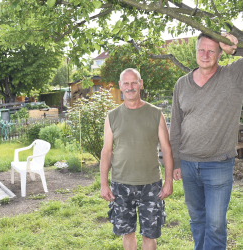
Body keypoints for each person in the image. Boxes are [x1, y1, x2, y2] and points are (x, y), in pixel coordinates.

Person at [170, 32, 243, 250]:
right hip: (189, 164)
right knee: (197, 220)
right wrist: (175, 162)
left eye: (212, 50)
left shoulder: (233, 76)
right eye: (201, 49)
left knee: (216, 224)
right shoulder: (181, 85)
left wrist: (235, 47)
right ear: (195, 51)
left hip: (219, 164)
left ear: (220, 54)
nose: (205, 54)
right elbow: (175, 126)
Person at [100, 68, 173, 250]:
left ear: (140, 84)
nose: (130, 87)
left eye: (134, 82)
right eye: (126, 83)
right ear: (120, 86)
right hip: (121, 184)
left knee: (150, 234)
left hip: (151, 184)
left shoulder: (156, 114)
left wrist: (169, 181)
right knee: (127, 233)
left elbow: (166, 148)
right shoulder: (112, 116)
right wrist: (103, 184)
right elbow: (106, 152)